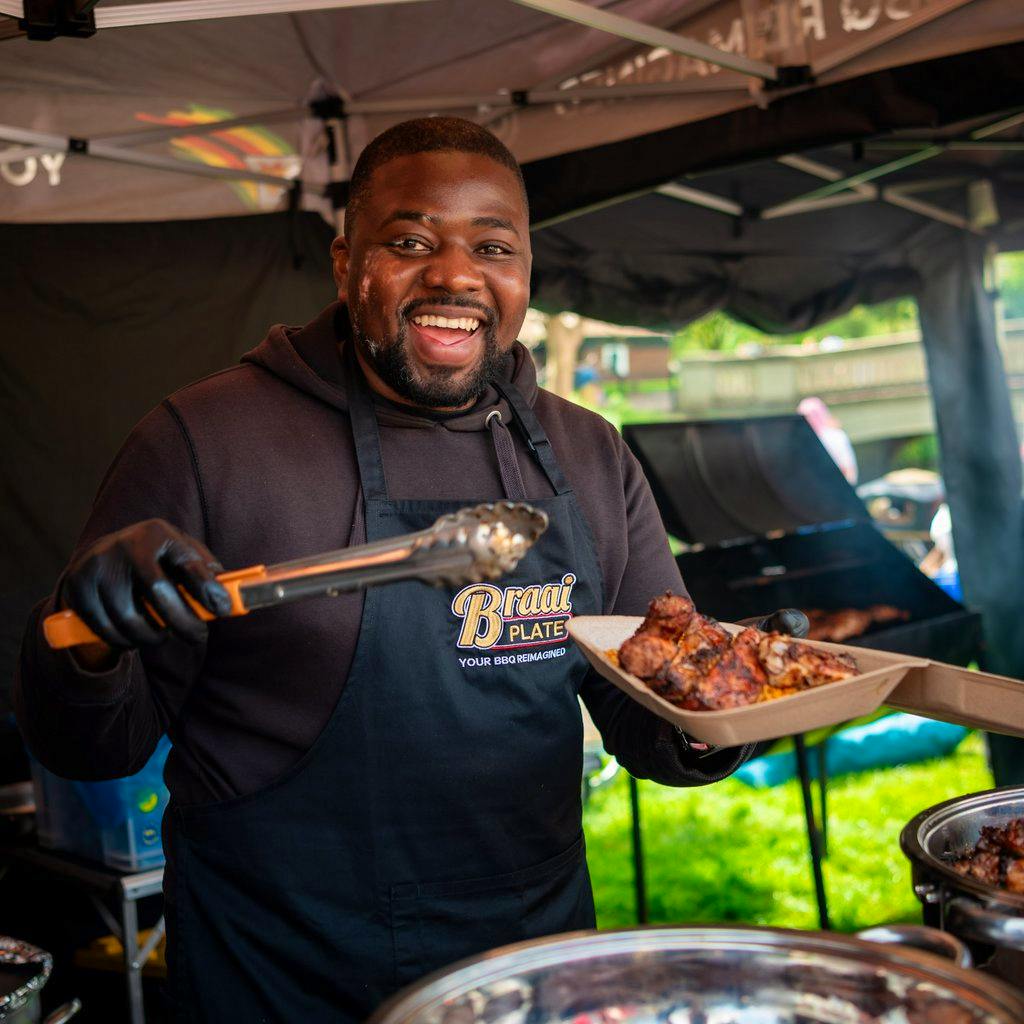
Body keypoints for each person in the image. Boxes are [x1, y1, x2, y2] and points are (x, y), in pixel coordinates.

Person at [15, 118, 805, 1023]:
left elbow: (645, 714)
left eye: (493, 247)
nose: (456, 276)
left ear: (526, 271)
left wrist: (724, 708)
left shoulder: (588, 454)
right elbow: (90, 749)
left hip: (524, 962)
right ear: (347, 263)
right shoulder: (205, 443)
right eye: (411, 242)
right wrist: (85, 642)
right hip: (277, 968)